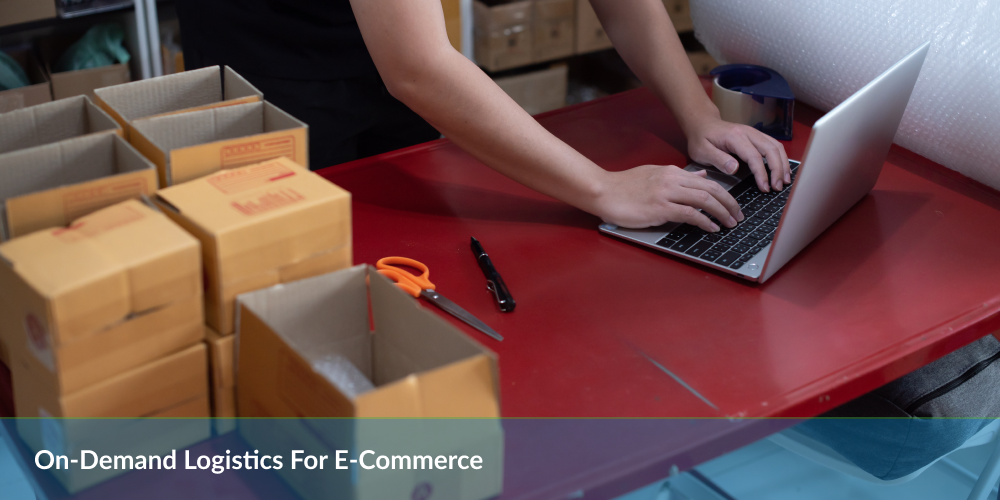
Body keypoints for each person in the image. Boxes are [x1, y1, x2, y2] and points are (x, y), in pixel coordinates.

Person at [174, 0, 790, 231]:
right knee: (294, 254)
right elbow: (416, 68)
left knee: (417, 226)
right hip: (269, 54)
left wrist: (696, 113)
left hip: (385, 45)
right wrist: (603, 188)